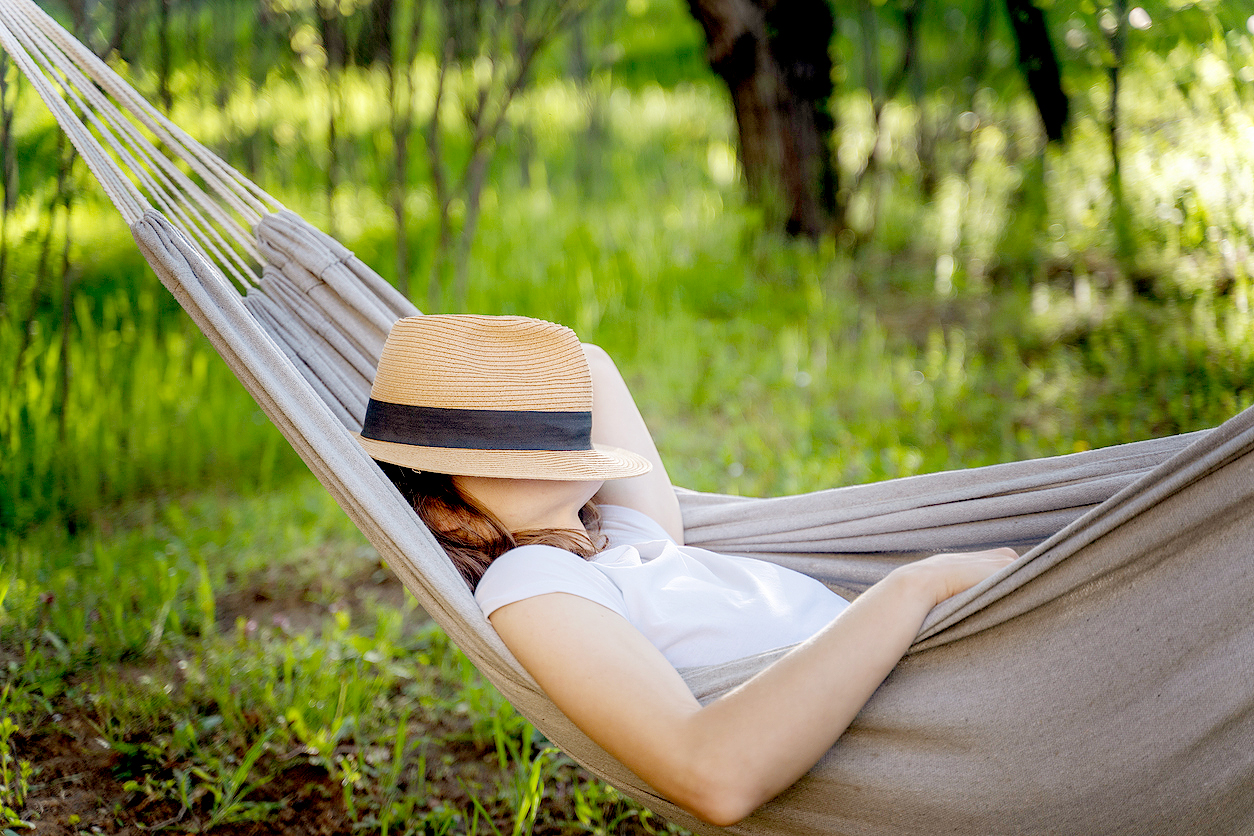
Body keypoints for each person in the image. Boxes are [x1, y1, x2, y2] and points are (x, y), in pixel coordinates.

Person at [356, 314, 1016, 827]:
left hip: (942, 677)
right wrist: (915, 585)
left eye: (546, 422)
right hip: (918, 719)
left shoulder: (626, 538)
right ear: (446, 514)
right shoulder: (531, 581)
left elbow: (592, 365)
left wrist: (516, 365)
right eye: (508, 447)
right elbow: (715, 776)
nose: (552, 447)